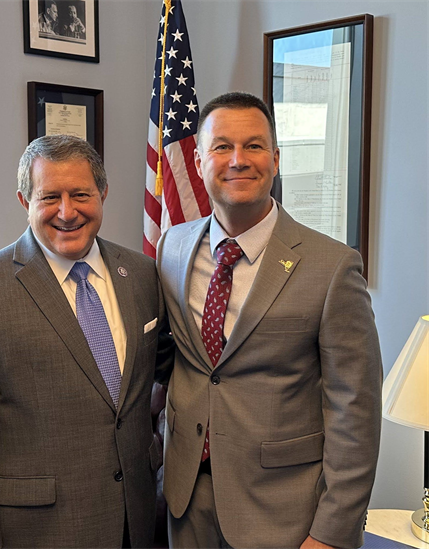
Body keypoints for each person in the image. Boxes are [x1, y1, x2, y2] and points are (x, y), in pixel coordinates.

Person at [156, 92, 383, 549]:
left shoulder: (332, 267)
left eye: (254, 146)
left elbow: (354, 411)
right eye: (221, 147)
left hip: (284, 515)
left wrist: (332, 533)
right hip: (185, 502)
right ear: (198, 161)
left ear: (276, 159)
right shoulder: (171, 249)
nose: (238, 160)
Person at [0, 135, 173, 549]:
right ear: (25, 201)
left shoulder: (143, 274)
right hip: (40, 532)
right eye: (49, 197)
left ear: (103, 193)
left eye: (80, 194)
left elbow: (168, 370)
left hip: (139, 517)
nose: (67, 211)